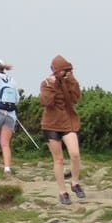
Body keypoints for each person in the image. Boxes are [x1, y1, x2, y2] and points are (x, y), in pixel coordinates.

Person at [40, 55, 85, 205]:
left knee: (75, 154)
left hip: (68, 123)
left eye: (68, 70)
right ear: (56, 71)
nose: (65, 73)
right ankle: (62, 192)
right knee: (58, 159)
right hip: (51, 125)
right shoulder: (46, 83)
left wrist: (72, 80)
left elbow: (76, 98)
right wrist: (51, 86)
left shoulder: (68, 81)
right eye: (63, 70)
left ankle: (75, 182)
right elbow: (46, 102)